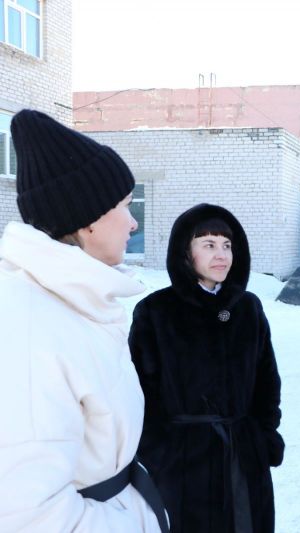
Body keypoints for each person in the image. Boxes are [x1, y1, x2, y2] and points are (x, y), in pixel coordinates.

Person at [0, 109, 168, 531]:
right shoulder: (29, 326)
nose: (134, 222)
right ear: (89, 219)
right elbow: (28, 515)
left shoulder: (74, 300)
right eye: (126, 206)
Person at [129, 203, 284, 533]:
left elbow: (267, 383)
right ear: (186, 252)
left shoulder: (248, 309)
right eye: (209, 244)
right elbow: (138, 394)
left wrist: (263, 436)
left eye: (227, 245)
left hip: (244, 458)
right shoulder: (156, 312)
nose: (221, 255)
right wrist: (160, 454)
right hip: (183, 466)